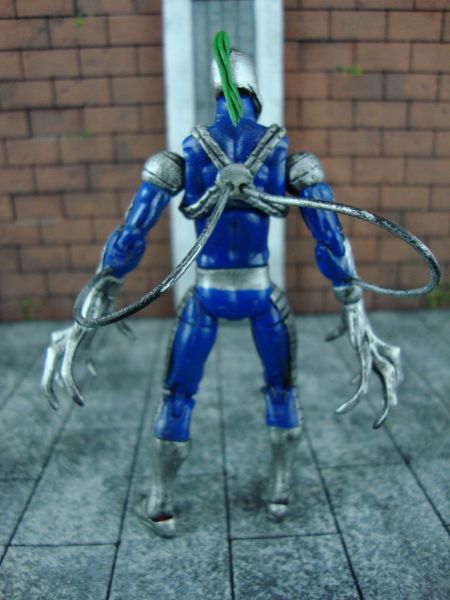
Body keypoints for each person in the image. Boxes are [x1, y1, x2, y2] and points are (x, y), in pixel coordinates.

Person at [42, 32, 403, 538]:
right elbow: (331, 236)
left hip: (207, 295)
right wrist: (351, 302)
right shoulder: (285, 156)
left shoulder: (184, 157)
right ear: (254, 90)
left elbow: (131, 234)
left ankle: (160, 502)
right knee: (282, 389)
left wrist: (102, 290)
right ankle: (279, 494)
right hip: (260, 294)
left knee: (178, 395)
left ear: (216, 92)